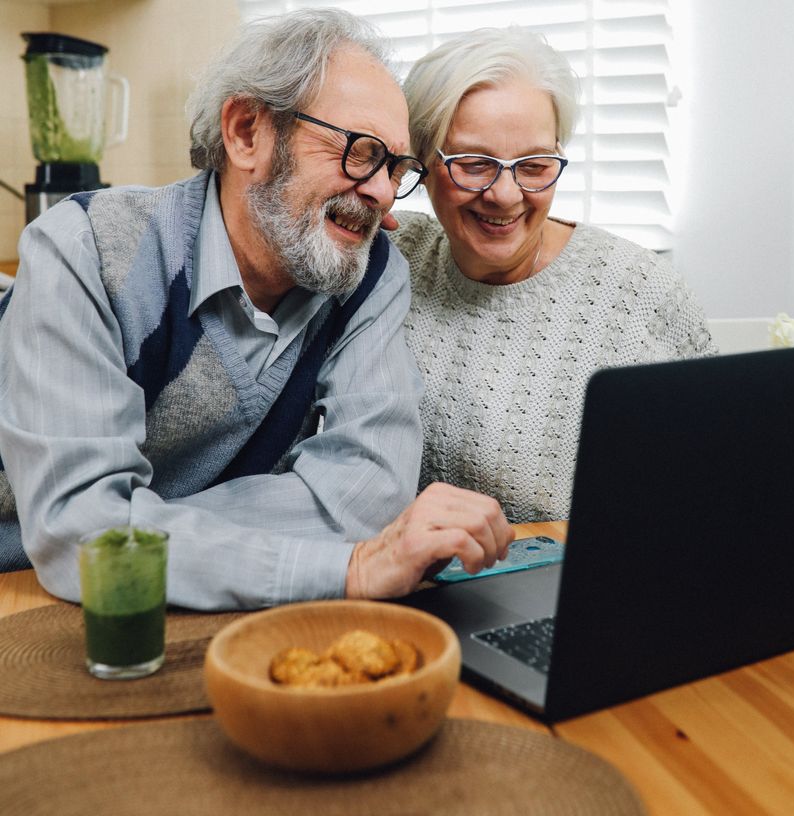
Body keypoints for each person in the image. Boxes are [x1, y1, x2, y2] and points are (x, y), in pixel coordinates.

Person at [0, 10, 512, 608]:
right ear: (247, 133)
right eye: (360, 151)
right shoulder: (85, 247)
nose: (379, 191)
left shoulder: (369, 273)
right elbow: (78, 535)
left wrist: (139, 525)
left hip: (182, 601)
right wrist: (339, 564)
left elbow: (368, 493)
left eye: (395, 168)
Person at [388, 27, 716, 523]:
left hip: (578, 583)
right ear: (422, 165)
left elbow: (714, 482)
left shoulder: (642, 292)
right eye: (474, 164)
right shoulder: (388, 258)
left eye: (535, 165)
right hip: (407, 583)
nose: (505, 195)